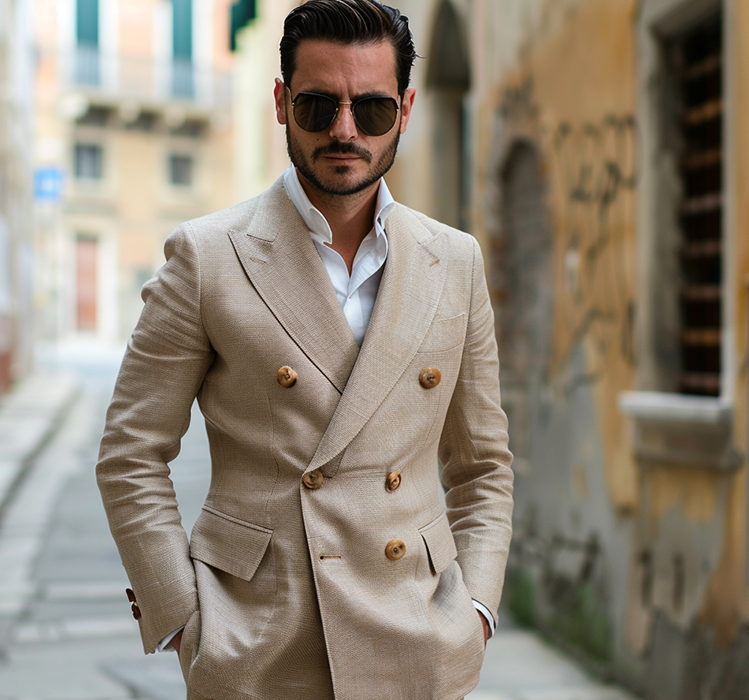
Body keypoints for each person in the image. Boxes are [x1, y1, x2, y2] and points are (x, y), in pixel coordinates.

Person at [96, 1, 513, 698]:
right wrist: (182, 620)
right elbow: (131, 453)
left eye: (372, 109)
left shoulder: (455, 262)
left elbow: (484, 466)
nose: (345, 130)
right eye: (319, 106)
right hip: (259, 647)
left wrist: (475, 612)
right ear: (283, 102)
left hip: (421, 645)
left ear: (405, 110)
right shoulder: (207, 258)